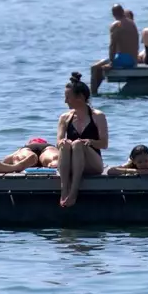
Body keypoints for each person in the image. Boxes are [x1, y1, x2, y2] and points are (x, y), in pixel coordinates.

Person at [54, 76, 109, 207]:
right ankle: (64, 188)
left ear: (80, 97)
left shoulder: (98, 116)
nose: (65, 101)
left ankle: (73, 192)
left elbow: (104, 144)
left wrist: (88, 142)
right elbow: (58, 141)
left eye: (68, 97)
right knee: (66, 144)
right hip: (71, 163)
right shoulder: (65, 117)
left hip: (92, 164)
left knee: (78, 144)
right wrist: (63, 142)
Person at [92, 5, 139, 88]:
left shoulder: (116, 24)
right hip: (133, 60)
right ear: (123, 11)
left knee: (95, 68)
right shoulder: (132, 23)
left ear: (113, 14)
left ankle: (93, 94)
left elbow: (112, 45)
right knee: (101, 65)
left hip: (124, 60)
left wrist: (111, 62)